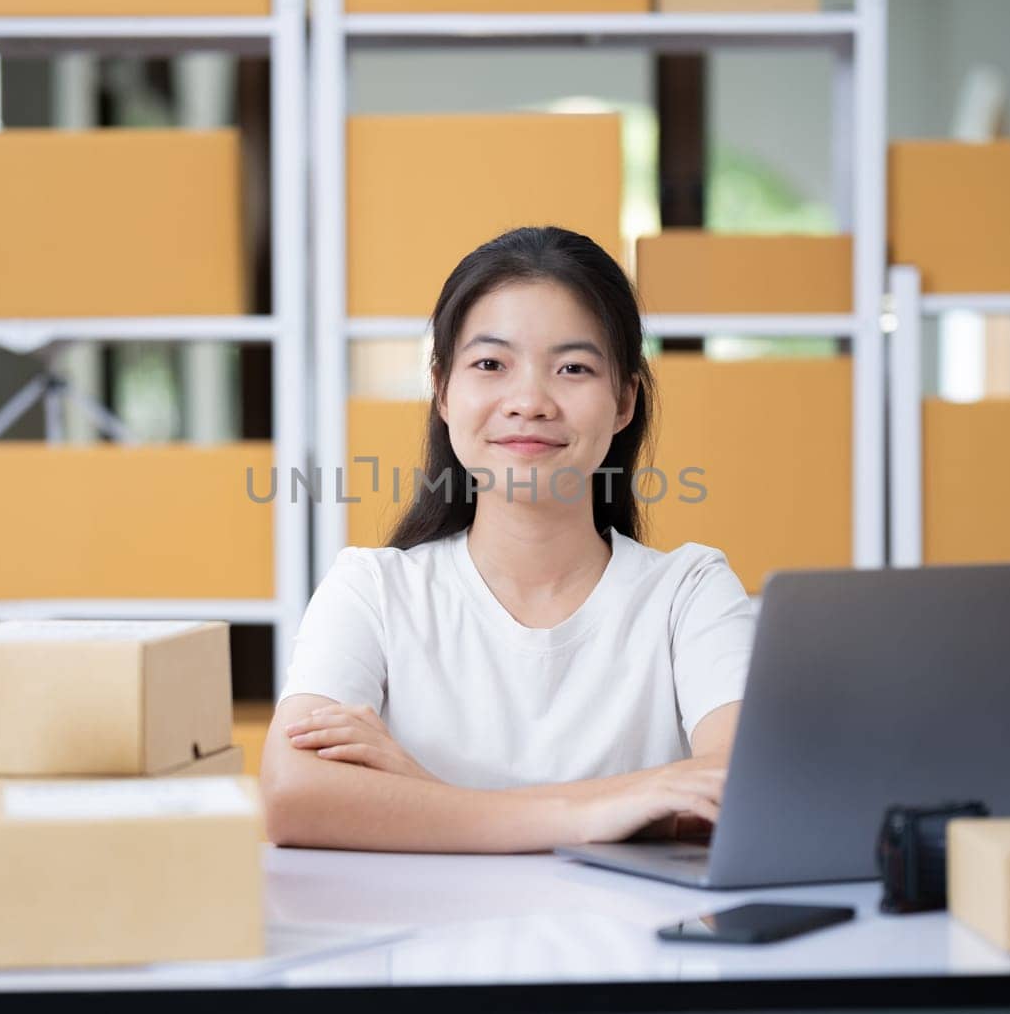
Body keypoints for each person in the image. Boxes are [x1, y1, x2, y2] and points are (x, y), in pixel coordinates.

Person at [260, 225, 754, 852]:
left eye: (573, 367)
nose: (529, 401)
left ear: (625, 399)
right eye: (490, 364)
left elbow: (736, 789)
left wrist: (427, 797)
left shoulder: (690, 592)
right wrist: (600, 813)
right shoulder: (373, 590)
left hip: (635, 950)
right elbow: (292, 799)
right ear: (442, 390)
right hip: (429, 948)